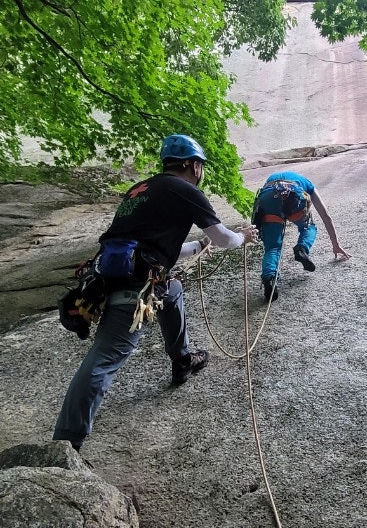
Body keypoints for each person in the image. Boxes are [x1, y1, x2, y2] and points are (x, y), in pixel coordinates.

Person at [53, 134, 256, 451]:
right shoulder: (186, 190)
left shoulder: (140, 190)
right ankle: (66, 443)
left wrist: (200, 246)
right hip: (136, 285)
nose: (201, 171)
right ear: (192, 164)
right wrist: (242, 237)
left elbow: (157, 247)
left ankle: (182, 360)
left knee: (173, 290)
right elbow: (224, 238)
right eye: (200, 165)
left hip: (112, 276)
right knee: (104, 359)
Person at [252, 169, 350, 302]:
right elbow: (326, 216)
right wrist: (335, 244)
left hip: (268, 198)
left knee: (273, 247)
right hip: (294, 197)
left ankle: (269, 278)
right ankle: (302, 248)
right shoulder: (306, 183)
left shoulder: (271, 179)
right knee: (308, 226)